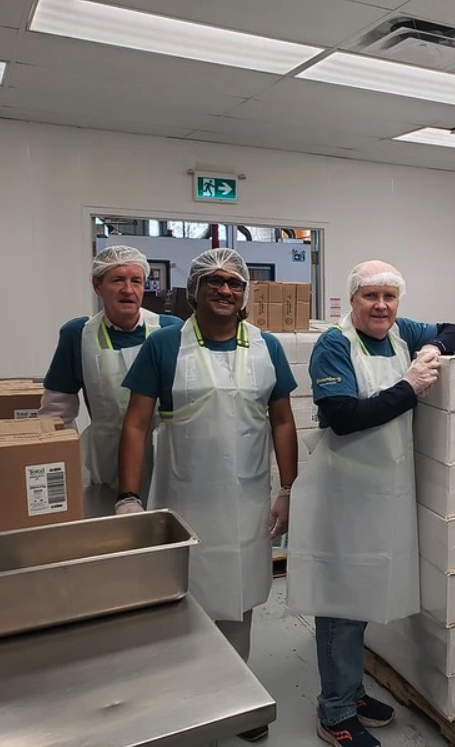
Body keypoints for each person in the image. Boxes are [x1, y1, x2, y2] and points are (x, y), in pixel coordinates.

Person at [118, 248, 297, 743]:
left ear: (245, 294)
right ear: (195, 289)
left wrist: (288, 489)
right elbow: (135, 422)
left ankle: (238, 699)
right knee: (185, 603)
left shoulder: (266, 347)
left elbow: (282, 419)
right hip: (184, 499)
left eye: (235, 283)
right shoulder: (164, 346)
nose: (225, 290)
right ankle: (188, 700)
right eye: (214, 282)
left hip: (245, 502)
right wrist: (129, 495)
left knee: (239, 605)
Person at [287, 260, 455, 747]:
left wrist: (433, 346)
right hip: (343, 493)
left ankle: (349, 690)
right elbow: (344, 416)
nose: (381, 306)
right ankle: (335, 710)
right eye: (371, 296)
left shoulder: (400, 331)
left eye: (390, 297)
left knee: (363, 589)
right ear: (352, 300)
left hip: (383, 491)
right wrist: (409, 386)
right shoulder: (335, 344)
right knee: (340, 599)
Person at [39, 246, 182, 515]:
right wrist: (61, 470)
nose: (128, 289)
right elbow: (56, 414)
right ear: (97, 285)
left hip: (166, 457)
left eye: (136, 281)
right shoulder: (78, 335)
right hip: (106, 461)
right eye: (118, 280)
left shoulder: (170, 330)